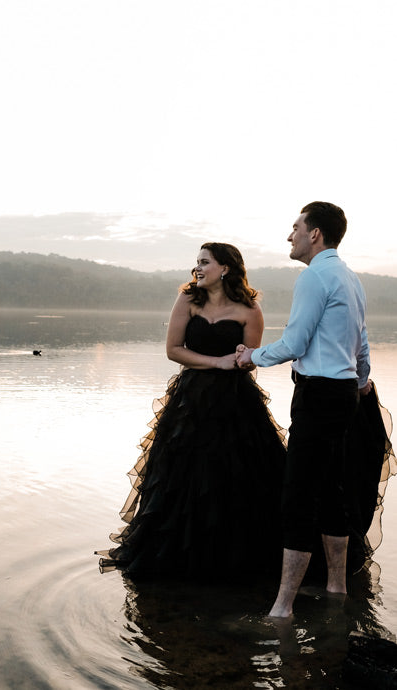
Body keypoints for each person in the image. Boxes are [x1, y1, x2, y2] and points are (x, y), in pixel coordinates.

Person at [97, 242, 287, 581]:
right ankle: (179, 561)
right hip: (190, 403)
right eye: (197, 262)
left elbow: (248, 362)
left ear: (226, 268)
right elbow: (173, 350)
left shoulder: (249, 310)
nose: (197, 267)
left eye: (205, 262)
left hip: (235, 405)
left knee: (235, 480)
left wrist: (244, 356)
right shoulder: (188, 299)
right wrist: (215, 361)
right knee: (180, 479)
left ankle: (232, 561)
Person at [236, 201, 373, 617]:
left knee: (298, 496)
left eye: (295, 227)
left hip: (318, 396)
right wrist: (361, 381)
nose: (290, 235)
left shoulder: (314, 277)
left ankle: (283, 606)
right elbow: (362, 343)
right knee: (333, 489)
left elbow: (294, 344)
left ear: (315, 234)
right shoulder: (351, 278)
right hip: (345, 393)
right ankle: (335, 588)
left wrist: (250, 357)